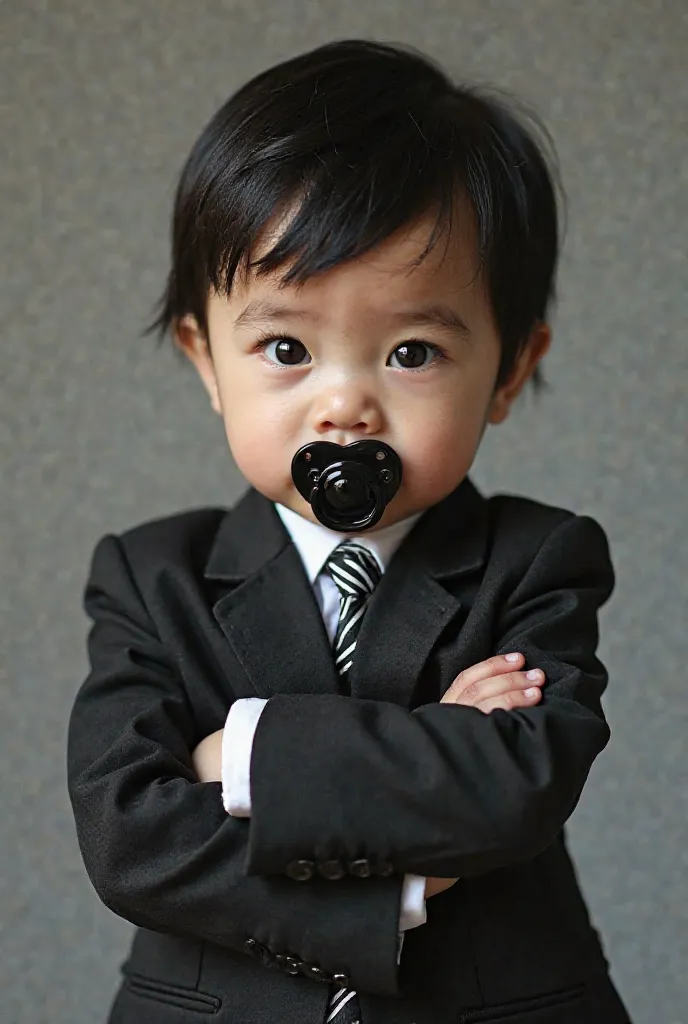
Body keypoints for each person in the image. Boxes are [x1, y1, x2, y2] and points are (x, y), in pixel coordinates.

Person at [66, 38, 633, 1024]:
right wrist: (407, 854)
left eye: (410, 351)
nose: (345, 404)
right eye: (286, 347)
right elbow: (129, 835)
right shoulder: (150, 576)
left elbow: (513, 786)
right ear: (206, 356)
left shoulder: (540, 560)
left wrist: (237, 754)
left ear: (507, 369)